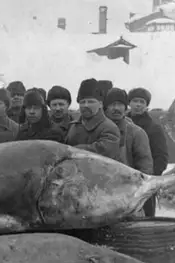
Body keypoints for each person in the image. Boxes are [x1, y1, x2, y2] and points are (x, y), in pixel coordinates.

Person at [127, 87, 169, 217]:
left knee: (145, 220)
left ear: (146, 105)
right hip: (124, 181)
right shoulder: (120, 124)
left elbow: (161, 157)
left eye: (142, 102)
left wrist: (150, 180)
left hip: (145, 183)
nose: (138, 105)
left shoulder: (154, 128)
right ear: (129, 103)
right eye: (135, 101)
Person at [64, 78, 121, 161]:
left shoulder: (109, 128)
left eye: (91, 102)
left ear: (100, 104)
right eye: (82, 102)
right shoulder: (73, 126)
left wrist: (71, 150)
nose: (86, 105)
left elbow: (103, 152)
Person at [104, 88, 153, 177]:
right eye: (112, 104)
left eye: (120, 104)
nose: (116, 108)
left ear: (126, 108)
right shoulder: (98, 130)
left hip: (127, 185)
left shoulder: (137, 133)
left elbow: (145, 166)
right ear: (105, 107)